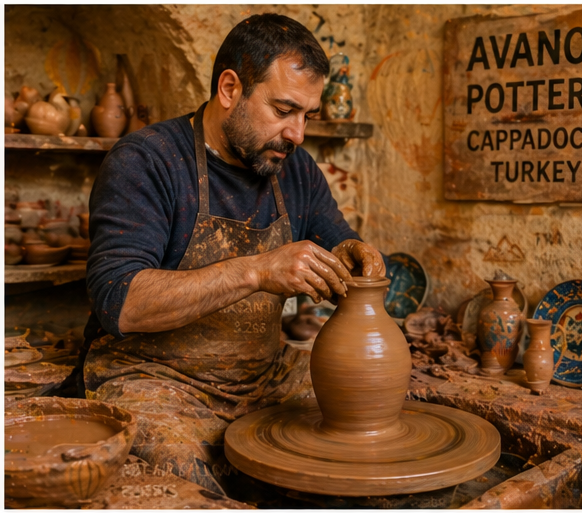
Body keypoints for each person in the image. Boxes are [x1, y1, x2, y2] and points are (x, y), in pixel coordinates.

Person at [81, 12, 385, 498]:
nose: (298, 134)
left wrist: (355, 255)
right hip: (154, 379)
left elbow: (337, 241)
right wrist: (256, 270)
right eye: (284, 110)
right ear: (229, 89)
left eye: (308, 115)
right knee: (192, 479)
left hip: (263, 375)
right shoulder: (147, 161)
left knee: (376, 418)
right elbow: (120, 300)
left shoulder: (296, 170)